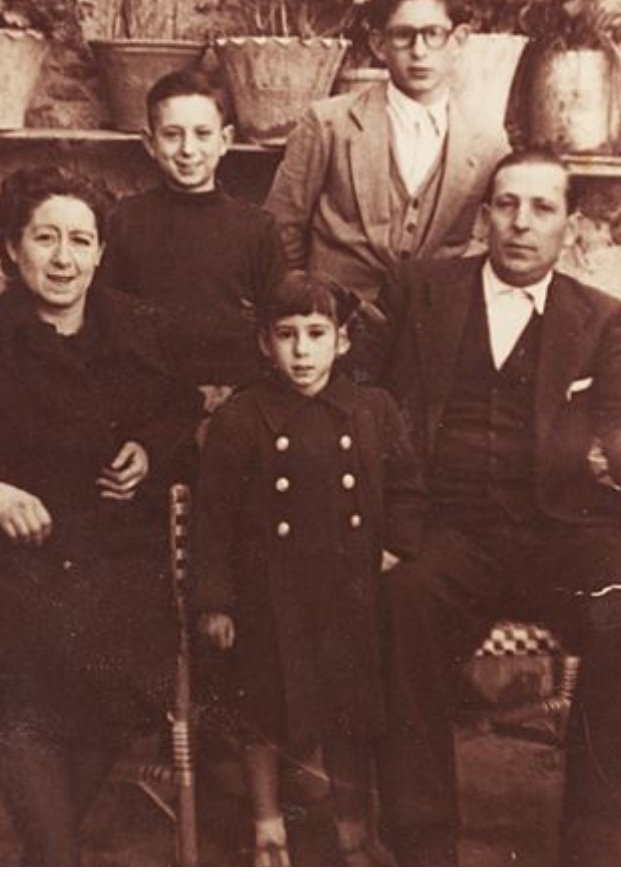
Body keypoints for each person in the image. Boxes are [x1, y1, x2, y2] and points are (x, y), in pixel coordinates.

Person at [365, 151, 621, 866]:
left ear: (568, 225)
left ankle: (599, 835)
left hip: (559, 527)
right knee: (398, 601)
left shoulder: (595, 316)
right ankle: (422, 840)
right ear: (484, 217)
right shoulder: (421, 292)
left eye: (542, 208)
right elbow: (362, 396)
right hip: (447, 528)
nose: (521, 223)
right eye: (507, 205)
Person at [0, 165, 202, 864]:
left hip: (111, 549)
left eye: (81, 239)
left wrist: (146, 451)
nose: (64, 258)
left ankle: (46, 855)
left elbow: (181, 414)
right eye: (45, 237)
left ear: (102, 251)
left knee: (122, 649)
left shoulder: (140, 330)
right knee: (13, 657)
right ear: (12, 246)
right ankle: (56, 856)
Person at [187, 272, 426, 866]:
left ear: (342, 341)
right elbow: (212, 517)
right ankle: (268, 824)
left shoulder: (373, 409)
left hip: (350, 588)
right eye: (287, 335)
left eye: (317, 334)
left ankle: (351, 824)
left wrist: (397, 544)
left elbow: (408, 489)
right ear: (264, 344)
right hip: (268, 594)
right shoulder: (242, 419)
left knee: (351, 709)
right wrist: (215, 599)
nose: (302, 351)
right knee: (263, 708)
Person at [264, 0, 509, 309]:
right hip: (337, 328)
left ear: (458, 41)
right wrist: (306, 313)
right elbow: (280, 232)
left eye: (433, 34)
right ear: (379, 44)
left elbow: (494, 240)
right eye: (403, 35)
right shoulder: (329, 124)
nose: (419, 51)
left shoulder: (487, 141)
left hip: (433, 327)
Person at [100, 69, 285, 410]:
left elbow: (276, 327)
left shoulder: (257, 228)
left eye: (202, 134)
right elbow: (108, 322)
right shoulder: (124, 220)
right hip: (149, 402)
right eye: (172, 134)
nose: (188, 149)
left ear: (225, 140)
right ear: (149, 142)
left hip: (236, 403)